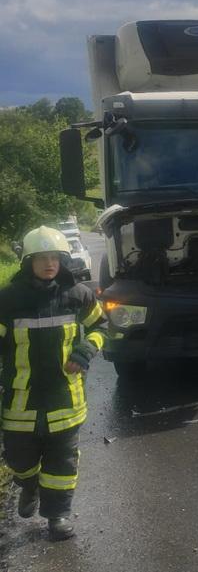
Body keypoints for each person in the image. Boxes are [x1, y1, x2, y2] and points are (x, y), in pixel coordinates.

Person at [0, 226, 107, 541]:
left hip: (65, 400)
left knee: (62, 463)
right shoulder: (8, 300)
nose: (49, 264)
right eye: (42, 258)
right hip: (21, 402)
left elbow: (101, 325)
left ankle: (56, 517)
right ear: (28, 261)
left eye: (55, 258)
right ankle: (28, 483)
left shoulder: (78, 295)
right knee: (18, 459)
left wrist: (85, 351)